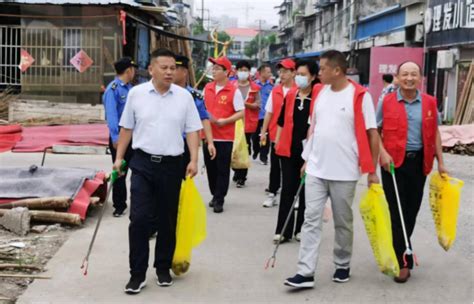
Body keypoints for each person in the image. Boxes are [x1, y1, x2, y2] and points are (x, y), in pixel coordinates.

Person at [284, 50, 380, 288]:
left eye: (323, 68)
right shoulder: (321, 93)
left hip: (345, 172)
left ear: (337, 70)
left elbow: (372, 133)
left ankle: (342, 263)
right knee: (310, 219)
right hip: (317, 169)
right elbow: (313, 129)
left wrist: (373, 170)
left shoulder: (359, 96)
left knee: (343, 221)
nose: (320, 73)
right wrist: (307, 159)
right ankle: (305, 272)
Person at [113, 48, 202, 294]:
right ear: (151, 69)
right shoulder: (136, 94)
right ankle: (137, 274)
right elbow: (126, 128)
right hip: (141, 163)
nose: (169, 72)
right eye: (164, 67)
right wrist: (119, 158)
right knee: (139, 219)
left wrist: (194, 159)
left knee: (167, 219)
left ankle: (162, 267)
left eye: (173, 67)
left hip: (172, 165)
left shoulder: (184, 97)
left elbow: (193, 129)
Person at [377, 61, 447, 283]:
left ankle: (400, 246)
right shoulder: (386, 102)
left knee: (411, 211)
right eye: (405, 74)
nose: (409, 78)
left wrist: (441, 162)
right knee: (396, 212)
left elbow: (434, 132)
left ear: (420, 78)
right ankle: (403, 260)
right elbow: (375, 131)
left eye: (413, 74)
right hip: (392, 165)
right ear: (397, 77)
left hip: (419, 164)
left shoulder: (429, 102)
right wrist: (382, 154)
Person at [273, 59, 320, 243]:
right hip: (289, 149)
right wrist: (277, 143)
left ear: (313, 77)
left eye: (304, 75)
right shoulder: (291, 95)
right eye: (298, 74)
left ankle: (302, 229)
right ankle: (283, 230)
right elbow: (282, 122)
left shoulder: (318, 97)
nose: (299, 78)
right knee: (287, 190)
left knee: (307, 191)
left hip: (310, 152)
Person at [203, 56, 245, 213]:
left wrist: (225, 121)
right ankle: (215, 194)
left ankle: (220, 198)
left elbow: (241, 112)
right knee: (211, 168)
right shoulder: (207, 87)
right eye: (213, 68)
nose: (214, 71)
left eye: (217, 68)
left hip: (224, 137)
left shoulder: (233, 91)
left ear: (227, 72)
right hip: (207, 136)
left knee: (222, 169)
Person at [102, 57, 137, 217]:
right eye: (133, 69)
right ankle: (119, 205)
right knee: (120, 171)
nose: (134, 72)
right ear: (129, 70)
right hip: (120, 137)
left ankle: (137, 203)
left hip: (134, 136)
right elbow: (112, 115)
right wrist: (115, 138)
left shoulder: (130, 89)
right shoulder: (113, 89)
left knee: (137, 171)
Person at [259, 59, 297, 208]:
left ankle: (294, 195)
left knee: (292, 168)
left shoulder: (299, 90)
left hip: (294, 136)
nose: (282, 75)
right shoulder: (276, 90)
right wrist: (263, 132)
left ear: (293, 73)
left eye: (286, 71)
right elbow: (269, 112)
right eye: (280, 72)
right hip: (276, 135)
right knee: (275, 166)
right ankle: (272, 193)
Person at [174, 54, 216, 178]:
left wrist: (210, 142)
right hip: (165, 141)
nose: (171, 72)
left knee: (182, 179)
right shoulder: (164, 92)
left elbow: (204, 118)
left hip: (185, 143)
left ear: (185, 72)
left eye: (175, 68)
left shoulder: (194, 96)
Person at [232, 60, 261, 188]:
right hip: (233, 122)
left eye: (245, 70)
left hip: (248, 123)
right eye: (240, 70)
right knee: (234, 148)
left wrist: (245, 104)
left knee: (245, 148)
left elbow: (257, 104)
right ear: (236, 71)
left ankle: (242, 176)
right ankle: (236, 170)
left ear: (249, 72)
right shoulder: (232, 86)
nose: (243, 72)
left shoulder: (254, 88)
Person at [253, 64, 274, 164]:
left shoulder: (271, 87)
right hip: (255, 116)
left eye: (270, 72)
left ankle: (263, 156)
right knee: (255, 137)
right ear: (261, 73)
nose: (270, 74)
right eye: (268, 72)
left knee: (266, 136)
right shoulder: (254, 85)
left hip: (266, 116)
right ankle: (256, 150)